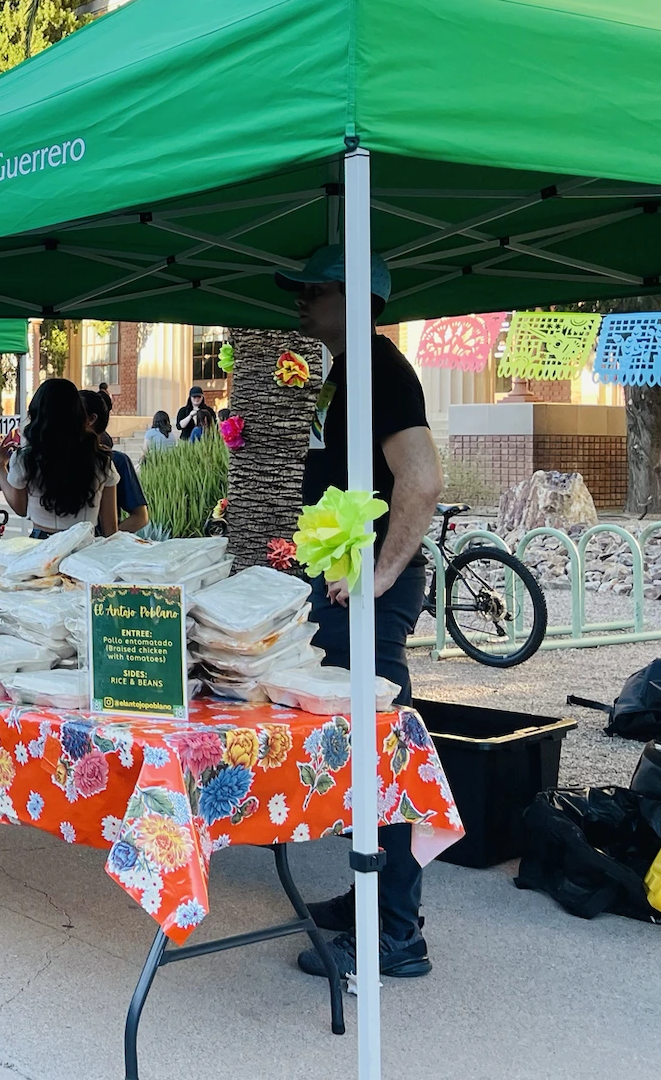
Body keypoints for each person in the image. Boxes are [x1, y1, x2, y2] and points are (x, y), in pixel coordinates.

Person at [277, 245, 442, 981]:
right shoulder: (346, 370)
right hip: (344, 584)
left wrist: (377, 576)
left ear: (352, 295)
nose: (298, 300)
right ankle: (372, 894)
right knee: (361, 750)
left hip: (366, 592)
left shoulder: (380, 368)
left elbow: (423, 478)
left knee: (381, 753)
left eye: (311, 288)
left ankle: (397, 935)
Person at [0, 378, 119, 538]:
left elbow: (21, 508)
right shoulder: (101, 459)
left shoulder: (25, 458)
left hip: (42, 544)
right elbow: (110, 527)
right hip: (84, 545)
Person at [79, 388, 148, 534]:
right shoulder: (56, 458)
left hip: (95, 551)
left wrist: (104, 540)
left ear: (91, 419)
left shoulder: (117, 461)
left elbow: (140, 517)